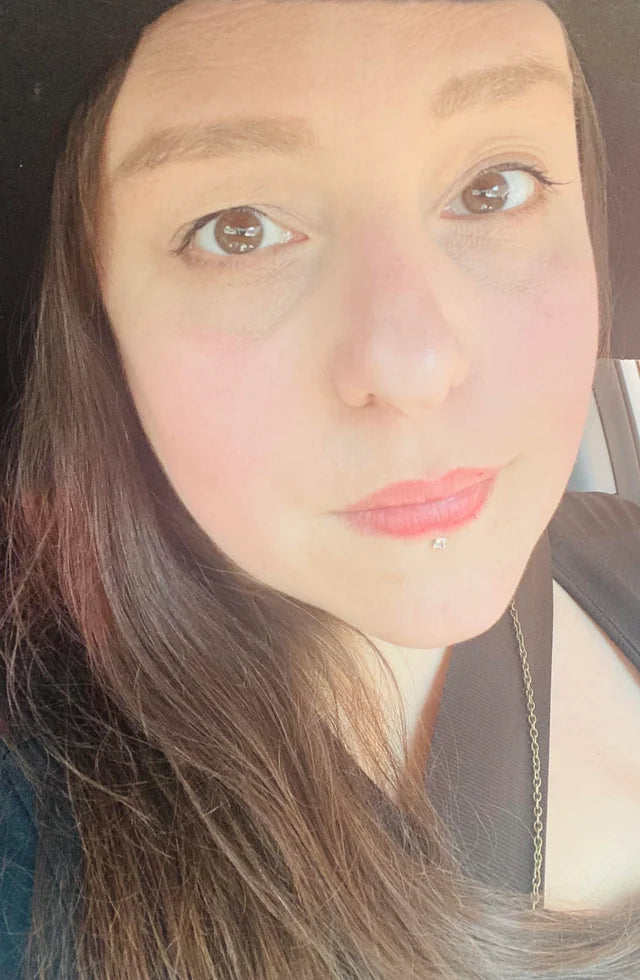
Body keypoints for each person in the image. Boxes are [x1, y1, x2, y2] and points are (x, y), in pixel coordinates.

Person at [0, 0, 639, 977]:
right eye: (239, 230)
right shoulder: (37, 835)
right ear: (101, 319)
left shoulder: (626, 550)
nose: (413, 365)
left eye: (491, 188)